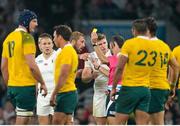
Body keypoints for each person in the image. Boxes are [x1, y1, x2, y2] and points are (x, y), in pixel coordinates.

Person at [1, 9, 47, 125]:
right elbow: (32, 66)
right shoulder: (27, 38)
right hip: (25, 86)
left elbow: (3, 67)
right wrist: (42, 82)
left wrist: (9, 85)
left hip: (13, 87)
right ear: (26, 21)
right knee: (22, 121)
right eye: (34, 21)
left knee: (27, 119)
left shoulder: (8, 39)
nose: (36, 24)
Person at [110, 19, 156, 125]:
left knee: (117, 123)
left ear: (134, 30)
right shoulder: (152, 46)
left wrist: (113, 88)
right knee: (141, 124)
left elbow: (120, 68)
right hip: (145, 90)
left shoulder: (129, 44)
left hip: (130, 88)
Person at [145, 17, 179, 125]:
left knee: (147, 121)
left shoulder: (143, 46)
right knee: (157, 121)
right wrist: (172, 86)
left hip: (149, 87)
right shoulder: (165, 46)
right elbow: (176, 67)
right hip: (162, 88)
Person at [50, 26, 85, 125]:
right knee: (67, 123)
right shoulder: (67, 51)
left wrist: (53, 94)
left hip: (65, 93)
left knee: (57, 123)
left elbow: (63, 75)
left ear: (60, 37)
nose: (53, 39)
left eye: (54, 36)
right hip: (67, 92)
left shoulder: (67, 51)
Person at [91, 33, 125, 124]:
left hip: (117, 94)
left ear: (113, 45)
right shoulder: (122, 57)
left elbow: (102, 59)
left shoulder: (120, 57)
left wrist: (94, 44)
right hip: (117, 93)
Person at [82, 33, 111, 125]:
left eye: (104, 43)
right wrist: (91, 76)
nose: (103, 46)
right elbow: (84, 78)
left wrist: (98, 68)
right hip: (100, 94)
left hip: (115, 93)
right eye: (100, 44)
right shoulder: (91, 56)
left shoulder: (114, 53)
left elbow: (117, 75)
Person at [36, 33, 58, 124]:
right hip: (42, 96)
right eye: (44, 44)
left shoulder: (58, 56)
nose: (47, 46)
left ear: (52, 44)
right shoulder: (37, 59)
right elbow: (35, 79)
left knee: (56, 123)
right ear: (40, 45)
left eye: (49, 43)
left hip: (56, 94)